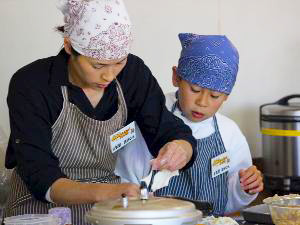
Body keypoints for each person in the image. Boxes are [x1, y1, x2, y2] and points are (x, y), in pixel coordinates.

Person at [3, 1, 197, 224]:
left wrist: (181, 147)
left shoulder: (133, 74)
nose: (109, 76)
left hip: (107, 203)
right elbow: (41, 176)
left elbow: (168, 129)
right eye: (97, 66)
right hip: (39, 206)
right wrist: (106, 193)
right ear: (69, 46)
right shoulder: (32, 84)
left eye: (119, 62)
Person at [154, 33, 264, 215]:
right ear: (176, 77)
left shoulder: (230, 133)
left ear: (226, 96)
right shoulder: (154, 115)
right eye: (195, 89)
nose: (202, 102)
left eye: (215, 96)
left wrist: (244, 187)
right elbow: (130, 183)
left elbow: (228, 200)